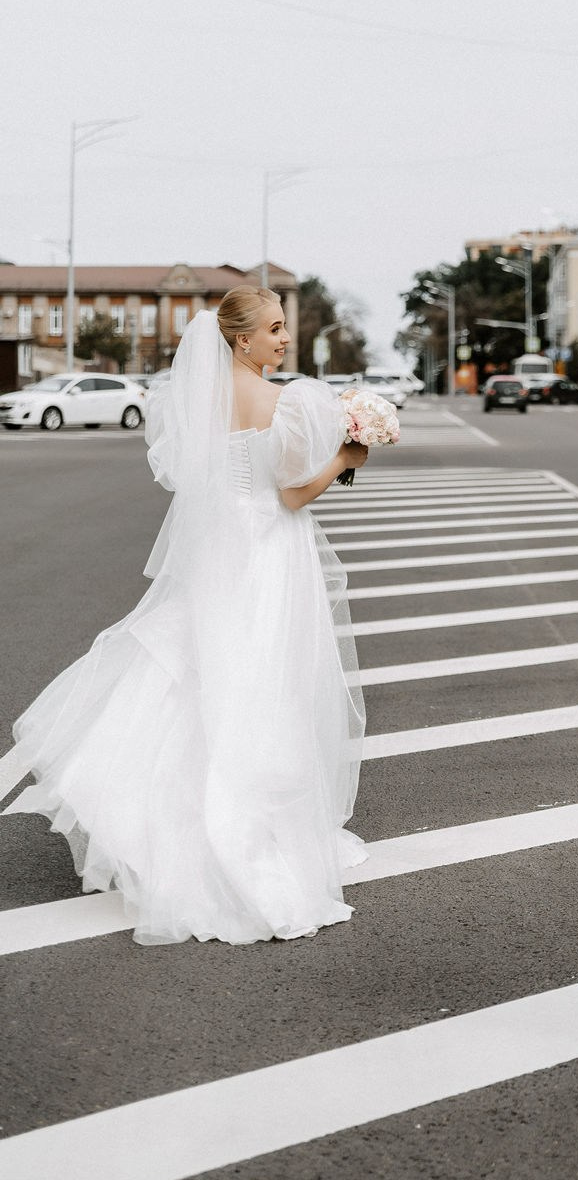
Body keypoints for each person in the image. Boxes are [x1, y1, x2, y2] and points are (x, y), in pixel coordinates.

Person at [3, 287, 371, 945]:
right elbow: (289, 494)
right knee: (261, 681)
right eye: (276, 329)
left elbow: (208, 478)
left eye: (285, 328)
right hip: (268, 551)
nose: (285, 339)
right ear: (242, 339)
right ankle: (249, 831)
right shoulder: (280, 399)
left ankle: (169, 819)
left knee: (206, 672)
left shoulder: (202, 399)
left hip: (221, 548)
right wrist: (345, 458)